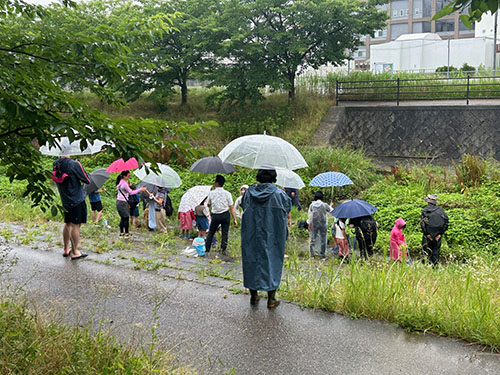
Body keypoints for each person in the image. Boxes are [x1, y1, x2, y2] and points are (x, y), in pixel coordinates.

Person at [241, 169, 292, 308]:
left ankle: (254, 296)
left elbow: (243, 206)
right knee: (273, 261)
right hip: (273, 235)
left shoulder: (249, 193)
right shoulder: (280, 194)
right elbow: (288, 208)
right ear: (274, 178)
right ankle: (271, 299)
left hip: (251, 234)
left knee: (251, 261)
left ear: (258, 176)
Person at [52, 155, 91, 260]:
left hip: (65, 199)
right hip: (76, 199)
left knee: (68, 223)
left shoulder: (56, 164)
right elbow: (87, 179)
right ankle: (75, 251)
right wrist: (80, 166)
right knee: (76, 225)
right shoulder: (74, 164)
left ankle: (66, 249)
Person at [205, 175, 238, 256]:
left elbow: (208, 204)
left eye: (214, 181)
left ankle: (207, 248)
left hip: (215, 215)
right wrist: (234, 219)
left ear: (217, 183)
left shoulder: (211, 193)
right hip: (225, 215)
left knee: (211, 232)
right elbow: (231, 207)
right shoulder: (228, 194)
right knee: (225, 233)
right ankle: (223, 249)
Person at [116, 171, 146, 237]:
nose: (129, 177)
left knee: (123, 218)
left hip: (119, 201)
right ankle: (126, 233)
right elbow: (131, 192)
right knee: (126, 217)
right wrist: (140, 189)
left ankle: (121, 232)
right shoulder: (124, 184)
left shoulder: (120, 182)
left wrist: (128, 186)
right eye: (128, 176)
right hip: (123, 202)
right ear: (124, 176)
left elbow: (125, 190)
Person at [420, 194, 448, 265]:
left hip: (427, 236)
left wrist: (427, 234)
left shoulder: (424, 211)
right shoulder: (441, 211)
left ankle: (425, 271)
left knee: (425, 254)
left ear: (428, 201)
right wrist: (439, 234)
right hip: (437, 237)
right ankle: (434, 270)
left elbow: (422, 224)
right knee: (435, 254)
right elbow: (446, 223)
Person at [308, 191, 333, 258]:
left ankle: (312, 253)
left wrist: (309, 224)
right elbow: (332, 211)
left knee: (313, 238)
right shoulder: (325, 205)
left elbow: (310, 216)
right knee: (323, 239)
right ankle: (323, 254)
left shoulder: (312, 205)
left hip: (314, 223)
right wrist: (330, 205)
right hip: (323, 223)